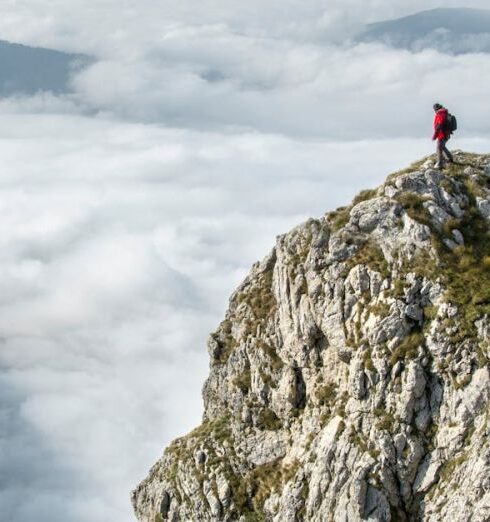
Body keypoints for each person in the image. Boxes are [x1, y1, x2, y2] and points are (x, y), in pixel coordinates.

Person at [432, 103, 454, 169]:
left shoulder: (440, 114)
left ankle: (439, 164)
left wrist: (435, 135)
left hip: (442, 134)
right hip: (447, 133)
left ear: (436, 109)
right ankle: (450, 158)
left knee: (439, 148)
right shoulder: (445, 112)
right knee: (442, 146)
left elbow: (439, 125)